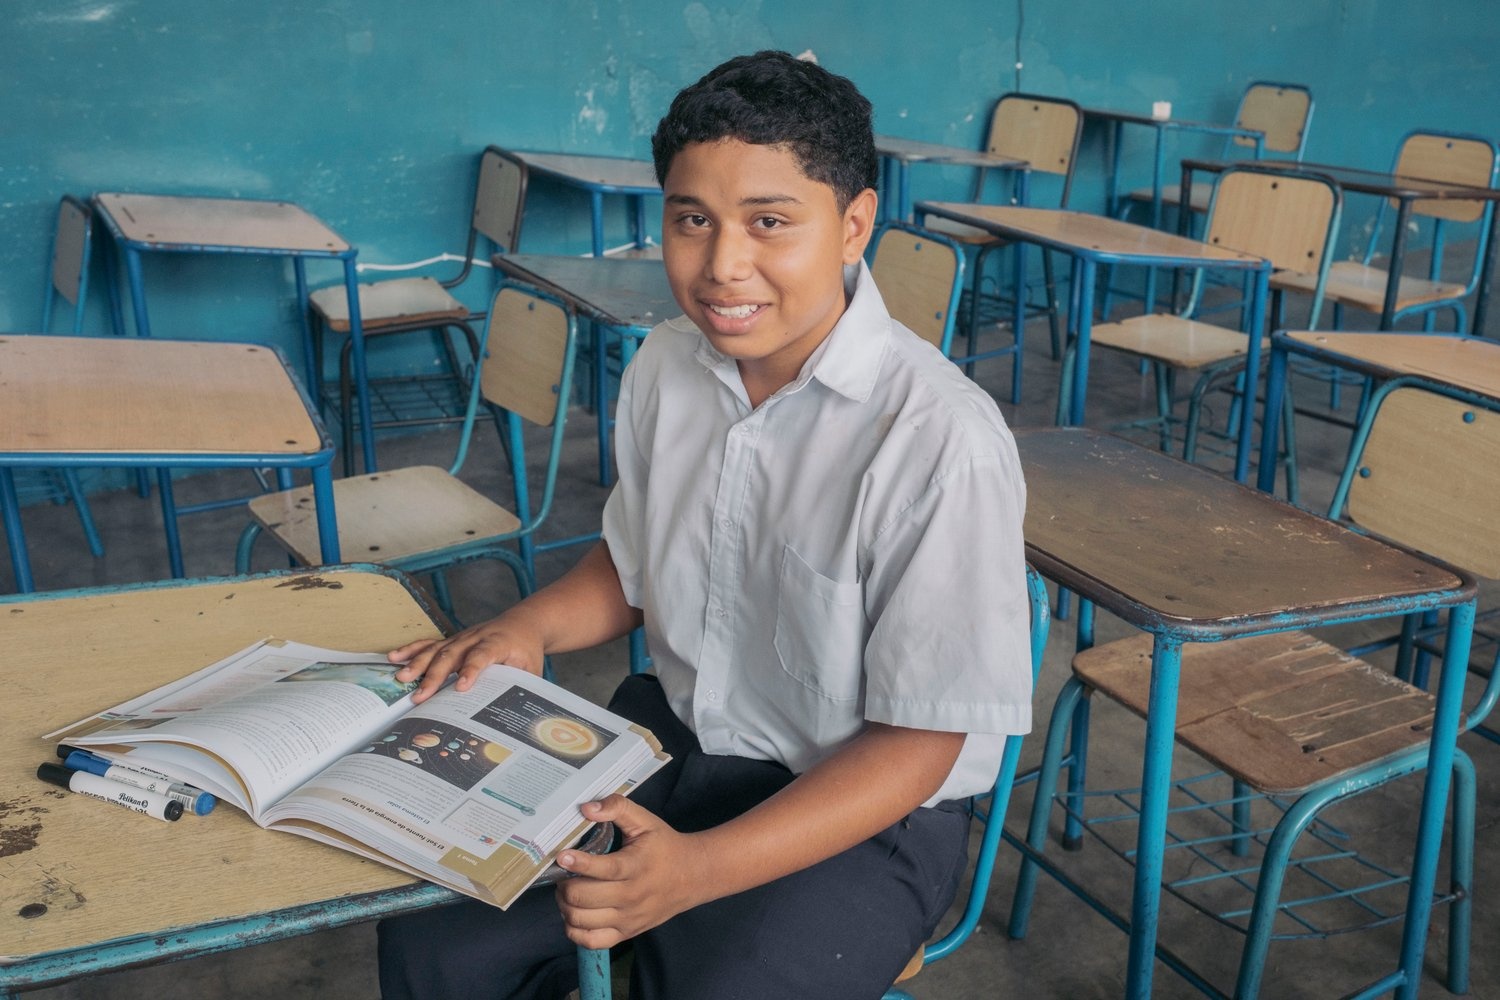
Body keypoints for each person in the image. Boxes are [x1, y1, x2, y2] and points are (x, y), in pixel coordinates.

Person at [377, 49, 1030, 1000]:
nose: (724, 265)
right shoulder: (667, 367)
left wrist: (698, 872)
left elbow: (918, 744)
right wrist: (529, 628)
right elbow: (633, 565)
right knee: (435, 945)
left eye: (770, 223)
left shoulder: (937, 439)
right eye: (693, 221)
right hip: (672, 743)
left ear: (854, 225)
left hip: (862, 808)